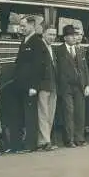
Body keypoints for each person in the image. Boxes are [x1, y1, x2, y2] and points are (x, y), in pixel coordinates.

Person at [11, 16, 45, 153]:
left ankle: (31, 144)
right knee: (22, 114)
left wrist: (34, 86)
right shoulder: (24, 41)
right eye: (20, 26)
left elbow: (38, 66)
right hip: (21, 85)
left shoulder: (37, 42)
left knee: (30, 116)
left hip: (30, 87)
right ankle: (22, 143)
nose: (21, 28)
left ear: (32, 26)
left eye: (24, 26)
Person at [56, 24, 89, 147]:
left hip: (80, 86)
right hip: (66, 87)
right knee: (68, 113)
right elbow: (58, 70)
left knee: (80, 113)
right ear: (65, 37)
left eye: (75, 35)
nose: (74, 38)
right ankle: (69, 140)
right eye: (71, 36)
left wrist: (87, 84)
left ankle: (79, 138)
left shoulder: (80, 49)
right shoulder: (59, 50)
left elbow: (85, 68)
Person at [36, 23, 59, 151]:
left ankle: (44, 140)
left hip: (53, 85)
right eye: (50, 34)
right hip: (43, 85)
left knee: (50, 114)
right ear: (43, 33)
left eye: (54, 35)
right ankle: (45, 141)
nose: (52, 37)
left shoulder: (52, 48)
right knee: (43, 113)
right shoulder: (40, 47)